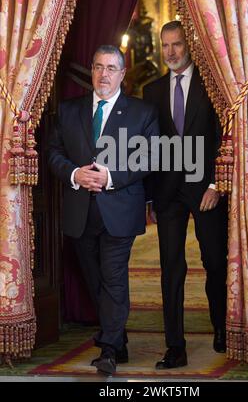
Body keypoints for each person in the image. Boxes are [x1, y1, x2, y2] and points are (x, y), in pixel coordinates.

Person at [48, 45, 159, 376]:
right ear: (92, 71)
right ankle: (118, 338)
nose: (104, 74)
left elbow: (150, 157)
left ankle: (108, 349)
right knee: (94, 279)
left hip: (119, 209)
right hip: (80, 212)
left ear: (122, 74)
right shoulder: (68, 111)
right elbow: (53, 152)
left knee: (113, 277)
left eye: (111, 68)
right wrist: (74, 174)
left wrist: (110, 176)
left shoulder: (142, 112)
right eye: (98, 67)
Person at [143, 21, 228, 369]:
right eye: (165, 46)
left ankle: (221, 326)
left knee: (214, 262)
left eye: (176, 44)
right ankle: (174, 347)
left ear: (188, 44)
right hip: (167, 193)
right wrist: (148, 197)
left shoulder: (212, 84)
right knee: (171, 269)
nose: (171, 52)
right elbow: (147, 148)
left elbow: (228, 136)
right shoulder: (152, 90)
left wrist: (216, 184)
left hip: (205, 188)